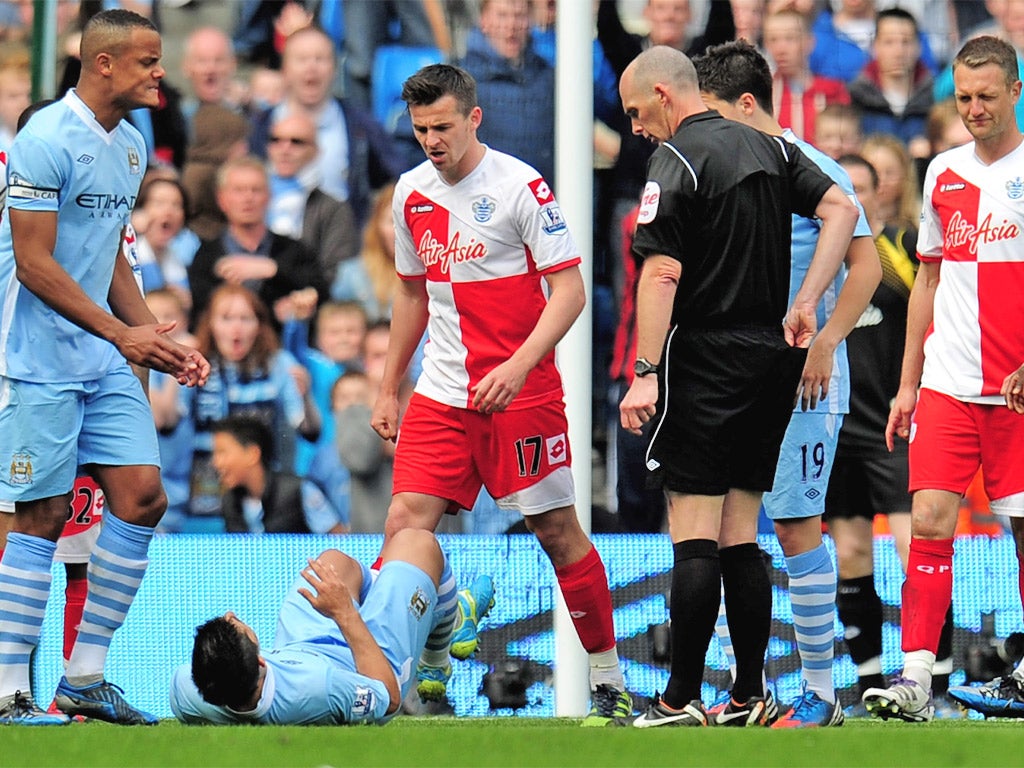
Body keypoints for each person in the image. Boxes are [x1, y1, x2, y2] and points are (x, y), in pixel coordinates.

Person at [370, 63, 631, 725]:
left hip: (521, 391)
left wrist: (518, 366)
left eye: (444, 127)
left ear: (474, 118)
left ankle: (608, 681)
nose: (433, 140)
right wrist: (388, 385)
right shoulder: (409, 193)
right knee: (403, 525)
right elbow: (409, 295)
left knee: (558, 533)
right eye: (422, 129)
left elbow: (569, 290)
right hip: (443, 391)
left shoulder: (521, 186)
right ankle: (392, 681)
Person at [617, 45, 859, 728]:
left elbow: (661, 274)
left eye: (637, 112)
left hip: (703, 354)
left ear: (665, 95)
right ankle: (750, 695)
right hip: (770, 356)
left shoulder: (679, 159)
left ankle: (678, 698)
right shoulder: (772, 147)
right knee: (740, 534)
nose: (635, 128)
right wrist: (807, 301)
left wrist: (645, 373)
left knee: (692, 533)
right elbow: (840, 208)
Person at [0, 9, 209, 725]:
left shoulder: (129, 146)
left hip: (103, 351)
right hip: (35, 358)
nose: (161, 72)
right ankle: (7, 693)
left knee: (144, 497)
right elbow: (34, 265)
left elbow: (110, 255)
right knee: (42, 515)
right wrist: (126, 336)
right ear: (104, 65)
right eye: (149, 61)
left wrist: (156, 336)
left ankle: (83, 678)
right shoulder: (44, 138)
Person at [694, 40, 880, 728]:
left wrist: (827, 341)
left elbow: (864, 269)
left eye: (715, 114)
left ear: (747, 105)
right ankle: (747, 689)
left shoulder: (816, 169)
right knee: (721, 529)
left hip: (805, 377)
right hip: (735, 377)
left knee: (797, 523)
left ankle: (821, 695)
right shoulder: (724, 167)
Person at [864, 35, 1024, 724]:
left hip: (1017, 393)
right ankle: (916, 681)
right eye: (963, 97)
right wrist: (908, 383)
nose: (974, 109)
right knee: (929, 519)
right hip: (950, 386)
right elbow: (927, 279)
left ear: (1016, 91)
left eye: (987, 96)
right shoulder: (944, 175)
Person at [169, 528, 460, 724]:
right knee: (416, 541)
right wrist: (345, 613)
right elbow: (389, 699)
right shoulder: (320, 689)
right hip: (363, 662)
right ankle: (438, 651)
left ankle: (386, 598)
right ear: (260, 661)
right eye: (235, 624)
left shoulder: (185, 690)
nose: (232, 614)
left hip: (300, 646)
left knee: (332, 563)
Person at [187, 155, 327, 328]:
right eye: (239, 190)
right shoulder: (207, 255)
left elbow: (321, 291)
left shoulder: (294, 250)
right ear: (222, 200)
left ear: (269, 197)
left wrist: (273, 270)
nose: (248, 198)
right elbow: (201, 311)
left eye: (256, 190)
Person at [266, 111, 358, 286]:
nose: (284, 149)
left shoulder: (333, 209)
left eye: (296, 142)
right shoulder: (246, 196)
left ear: (316, 150)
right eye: (275, 140)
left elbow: (336, 271)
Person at [211, 415, 346, 534]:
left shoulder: (299, 490)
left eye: (222, 453)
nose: (216, 462)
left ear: (252, 454)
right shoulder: (230, 502)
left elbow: (338, 538)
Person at [848, 8, 934, 156]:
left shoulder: (936, 97)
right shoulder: (853, 99)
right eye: (889, 42)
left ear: (918, 47)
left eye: (906, 42)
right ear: (875, 47)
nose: (898, 52)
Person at [763, 8, 850, 146]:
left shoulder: (833, 91)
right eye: (773, 40)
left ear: (809, 42)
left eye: (790, 38)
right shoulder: (763, 91)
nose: (781, 48)